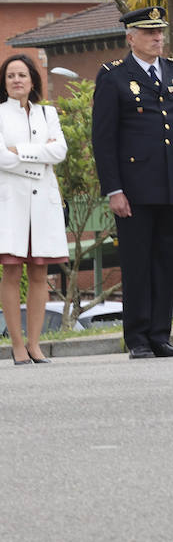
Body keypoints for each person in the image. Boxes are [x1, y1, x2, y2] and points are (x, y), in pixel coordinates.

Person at [93, 6, 173, 359]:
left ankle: (161, 335)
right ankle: (138, 337)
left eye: (160, 32)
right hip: (135, 189)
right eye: (148, 33)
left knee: (167, 262)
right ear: (131, 37)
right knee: (138, 263)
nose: (157, 38)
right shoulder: (113, 76)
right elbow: (104, 138)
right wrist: (114, 189)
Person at [0, 53, 67, 364]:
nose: (16, 80)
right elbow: (1, 158)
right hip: (11, 204)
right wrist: (38, 159)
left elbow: (60, 151)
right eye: (11, 75)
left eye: (22, 75)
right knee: (11, 270)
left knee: (40, 271)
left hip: (43, 204)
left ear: (32, 81)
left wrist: (21, 152)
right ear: (4, 82)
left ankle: (35, 343)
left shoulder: (47, 113)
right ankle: (16, 345)